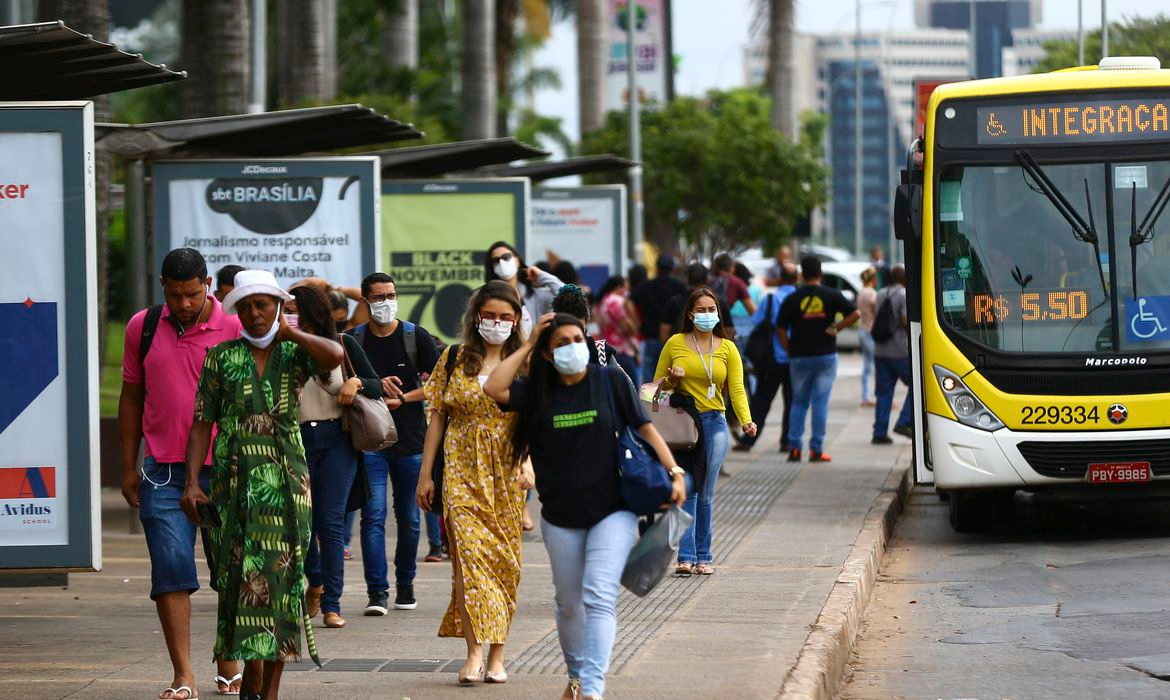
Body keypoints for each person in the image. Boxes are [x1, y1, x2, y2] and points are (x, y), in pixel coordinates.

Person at [484, 312, 687, 700]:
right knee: (568, 603)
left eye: (578, 339)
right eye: (561, 343)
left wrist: (674, 471)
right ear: (546, 354)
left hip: (614, 509)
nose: (573, 348)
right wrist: (527, 343)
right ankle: (576, 676)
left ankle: (592, 689)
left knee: (598, 595)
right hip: (560, 516)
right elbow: (494, 387)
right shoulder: (536, 392)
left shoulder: (609, 380)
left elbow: (645, 426)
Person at [180, 269, 344, 700]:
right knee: (238, 585)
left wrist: (292, 334)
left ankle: (267, 691)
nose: (255, 313)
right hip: (232, 485)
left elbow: (333, 356)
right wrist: (191, 483)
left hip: (286, 486)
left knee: (280, 586)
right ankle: (249, 684)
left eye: (263, 305)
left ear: (277, 307)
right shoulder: (220, 357)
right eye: (247, 306)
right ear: (237, 311)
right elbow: (201, 425)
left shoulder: (294, 353)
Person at [119, 248, 243, 700]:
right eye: (175, 295)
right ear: (162, 287)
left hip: (223, 470)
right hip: (161, 471)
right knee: (170, 571)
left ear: (207, 284)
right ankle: (183, 674)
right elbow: (131, 396)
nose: (185, 304)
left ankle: (228, 658)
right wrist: (127, 466)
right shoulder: (143, 326)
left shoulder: (233, 326)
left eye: (192, 294)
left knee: (229, 568)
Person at [416, 281, 529, 684]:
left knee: (503, 564)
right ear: (475, 316)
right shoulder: (453, 358)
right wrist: (426, 473)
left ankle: (499, 655)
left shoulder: (525, 363)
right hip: (461, 468)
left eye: (505, 317)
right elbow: (437, 417)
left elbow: (532, 420)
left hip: (506, 474)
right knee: (468, 563)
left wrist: (529, 463)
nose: (496, 323)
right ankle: (474, 653)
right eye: (490, 315)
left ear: (516, 320)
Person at [347, 272, 442, 615]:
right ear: (365, 302)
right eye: (378, 297)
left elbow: (440, 384)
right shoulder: (353, 339)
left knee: (409, 518)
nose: (386, 302)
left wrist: (406, 397)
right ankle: (377, 593)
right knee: (372, 516)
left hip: (411, 442)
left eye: (391, 295)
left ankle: (405, 583)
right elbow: (342, 383)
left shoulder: (415, 336)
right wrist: (371, 385)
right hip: (370, 441)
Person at [291, 285, 382, 630]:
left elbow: (375, 385)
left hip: (335, 440)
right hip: (295, 438)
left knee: (329, 523)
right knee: (302, 523)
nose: (289, 318)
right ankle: (315, 581)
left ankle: (332, 603)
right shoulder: (282, 347)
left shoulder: (343, 345)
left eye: (296, 311)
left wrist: (355, 383)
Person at [655, 288, 756, 577]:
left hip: (714, 423)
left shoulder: (727, 347)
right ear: (690, 313)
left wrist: (746, 421)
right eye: (701, 310)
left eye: (712, 310)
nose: (707, 315)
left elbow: (736, 389)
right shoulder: (675, 343)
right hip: (684, 425)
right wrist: (671, 381)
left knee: (705, 492)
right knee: (687, 488)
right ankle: (685, 558)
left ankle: (704, 557)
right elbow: (653, 390)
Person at [777, 256, 861, 463]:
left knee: (798, 401)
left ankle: (794, 449)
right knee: (820, 402)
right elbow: (855, 313)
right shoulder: (831, 295)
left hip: (798, 357)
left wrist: (789, 349)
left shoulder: (792, 298)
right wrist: (835, 328)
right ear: (820, 273)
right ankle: (816, 449)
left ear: (801, 275)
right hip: (825, 355)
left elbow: (779, 327)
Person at [734, 262, 798, 453]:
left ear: (779, 279)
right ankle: (787, 441)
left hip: (771, 360)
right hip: (795, 359)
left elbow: (756, 321)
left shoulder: (770, 299)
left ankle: (748, 440)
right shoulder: (799, 299)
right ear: (796, 279)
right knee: (792, 401)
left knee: (762, 399)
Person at [484, 241, 564, 336]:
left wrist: (542, 276)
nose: (501, 263)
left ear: (517, 260)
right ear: (491, 267)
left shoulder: (535, 295)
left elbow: (570, 295)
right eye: (495, 261)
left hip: (533, 349)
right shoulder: (485, 296)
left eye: (506, 257)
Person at [872, 264, 914, 443]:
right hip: (898, 351)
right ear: (904, 278)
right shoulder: (903, 294)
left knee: (883, 392)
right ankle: (904, 421)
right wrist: (913, 338)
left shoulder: (881, 293)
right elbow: (904, 320)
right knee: (918, 384)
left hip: (880, 350)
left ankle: (879, 433)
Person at [631, 254, 686, 382]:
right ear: (673, 269)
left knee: (650, 379)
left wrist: (636, 321)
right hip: (673, 339)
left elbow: (629, 301)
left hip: (650, 338)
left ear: (656, 268)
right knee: (672, 378)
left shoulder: (646, 285)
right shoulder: (679, 286)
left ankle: (650, 402)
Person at [552, 284, 624, 368]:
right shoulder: (549, 354)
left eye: (578, 338)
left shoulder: (602, 353)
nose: (573, 345)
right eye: (565, 339)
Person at [595, 275, 641, 384]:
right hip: (622, 351)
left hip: (607, 350)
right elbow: (628, 329)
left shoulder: (603, 301)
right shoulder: (617, 302)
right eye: (626, 287)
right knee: (630, 389)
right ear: (619, 287)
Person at [708, 254, 756, 337]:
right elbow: (753, 311)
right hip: (724, 326)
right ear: (731, 268)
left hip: (702, 326)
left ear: (714, 267)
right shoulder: (736, 282)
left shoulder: (706, 280)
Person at [661, 262, 711, 339]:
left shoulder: (675, 302)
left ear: (687, 279)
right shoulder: (717, 302)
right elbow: (729, 331)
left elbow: (664, 335)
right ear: (707, 279)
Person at [857, 267, 879, 408]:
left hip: (862, 330)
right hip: (871, 331)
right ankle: (876, 397)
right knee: (875, 366)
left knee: (867, 365)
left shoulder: (860, 293)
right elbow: (878, 311)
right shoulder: (872, 294)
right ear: (873, 279)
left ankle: (865, 396)